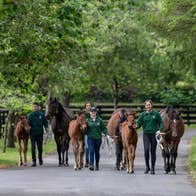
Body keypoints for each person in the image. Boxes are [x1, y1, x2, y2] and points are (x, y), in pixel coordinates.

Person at [136, 100, 163, 174]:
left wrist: (159, 130)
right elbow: (138, 124)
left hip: (154, 134)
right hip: (146, 135)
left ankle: (153, 168)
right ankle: (147, 167)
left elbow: (161, 123)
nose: (148, 106)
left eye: (149, 105)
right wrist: (135, 126)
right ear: (145, 106)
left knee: (153, 151)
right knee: (146, 150)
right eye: (147, 105)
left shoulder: (156, 114)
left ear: (152, 105)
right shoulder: (142, 115)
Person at [85, 107, 108, 171]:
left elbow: (104, 128)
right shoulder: (87, 120)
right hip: (90, 138)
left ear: (96, 113)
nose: (93, 113)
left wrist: (106, 134)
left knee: (97, 152)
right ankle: (91, 165)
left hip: (98, 138)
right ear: (90, 113)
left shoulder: (99, 120)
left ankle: (97, 164)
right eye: (92, 112)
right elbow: (85, 131)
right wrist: (84, 128)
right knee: (91, 151)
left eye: (94, 112)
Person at [27, 102, 49, 167]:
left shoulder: (41, 115)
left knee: (40, 148)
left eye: (36, 107)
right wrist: (28, 127)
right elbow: (28, 124)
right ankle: (34, 161)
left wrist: (46, 128)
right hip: (32, 134)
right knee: (33, 148)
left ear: (38, 107)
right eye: (34, 107)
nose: (35, 108)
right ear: (32, 107)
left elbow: (45, 122)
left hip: (40, 133)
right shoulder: (30, 115)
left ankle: (40, 159)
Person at [84, 102, 91, 167]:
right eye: (87, 105)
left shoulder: (93, 114)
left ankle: (88, 161)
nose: (88, 107)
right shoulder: (84, 114)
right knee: (86, 147)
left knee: (89, 147)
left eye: (89, 105)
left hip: (90, 133)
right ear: (85, 107)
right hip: (84, 132)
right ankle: (85, 160)